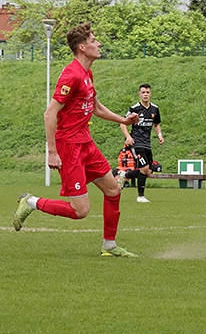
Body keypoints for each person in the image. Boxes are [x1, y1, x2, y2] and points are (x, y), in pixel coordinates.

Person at [13, 22, 140, 257]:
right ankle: (31, 202)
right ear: (82, 47)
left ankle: (109, 246)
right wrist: (52, 151)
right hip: (69, 147)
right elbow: (50, 114)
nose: (98, 43)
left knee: (113, 190)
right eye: (93, 41)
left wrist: (124, 121)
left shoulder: (87, 73)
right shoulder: (71, 74)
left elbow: (96, 108)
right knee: (80, 211)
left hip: (86, 144)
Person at [120, 83, 163, 203]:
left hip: (147, 143)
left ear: (151, 94)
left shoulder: (155, 109)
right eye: (143, 92)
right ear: (139, 94)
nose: (145, 95)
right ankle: (140, 196)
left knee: (148, 171)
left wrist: (159, 135)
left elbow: (156, 124)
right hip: (136, 142)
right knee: (144, 168)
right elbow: (123, 123)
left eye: (147, 92)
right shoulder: (135, 109)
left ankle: (124, 175)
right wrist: (128, 137)